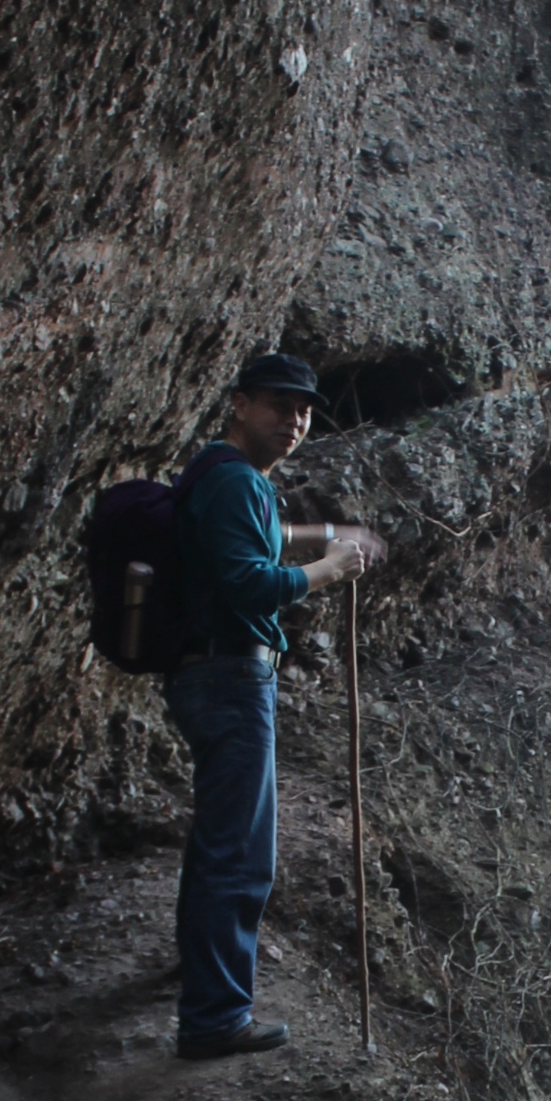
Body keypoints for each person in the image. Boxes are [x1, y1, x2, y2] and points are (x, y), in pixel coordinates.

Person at [158, 351, 387, 1060]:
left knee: (219, 838)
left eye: (304, 410)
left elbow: (245, 544)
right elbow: (247, 581)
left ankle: (201, 977)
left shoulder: (218, 476)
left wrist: (324, 536)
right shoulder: (234, 482)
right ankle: (215, 1018)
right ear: (238, 404)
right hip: (230, 676)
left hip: (206, 672)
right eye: (278, 405)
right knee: (240, 852)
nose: (294, 421)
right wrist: (328, 569)